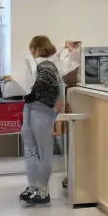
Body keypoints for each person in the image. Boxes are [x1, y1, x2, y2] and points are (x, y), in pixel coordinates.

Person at [18, 36, 62, 206]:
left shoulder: (46, 64)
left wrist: (32, 94)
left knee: (42, 151)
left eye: (31, 47)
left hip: (41, 108)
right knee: (31, 150)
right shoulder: (41, 64)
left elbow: (47, 82)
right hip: (31, 107)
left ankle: (42, 189)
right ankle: (34, 186)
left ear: (36, 47)